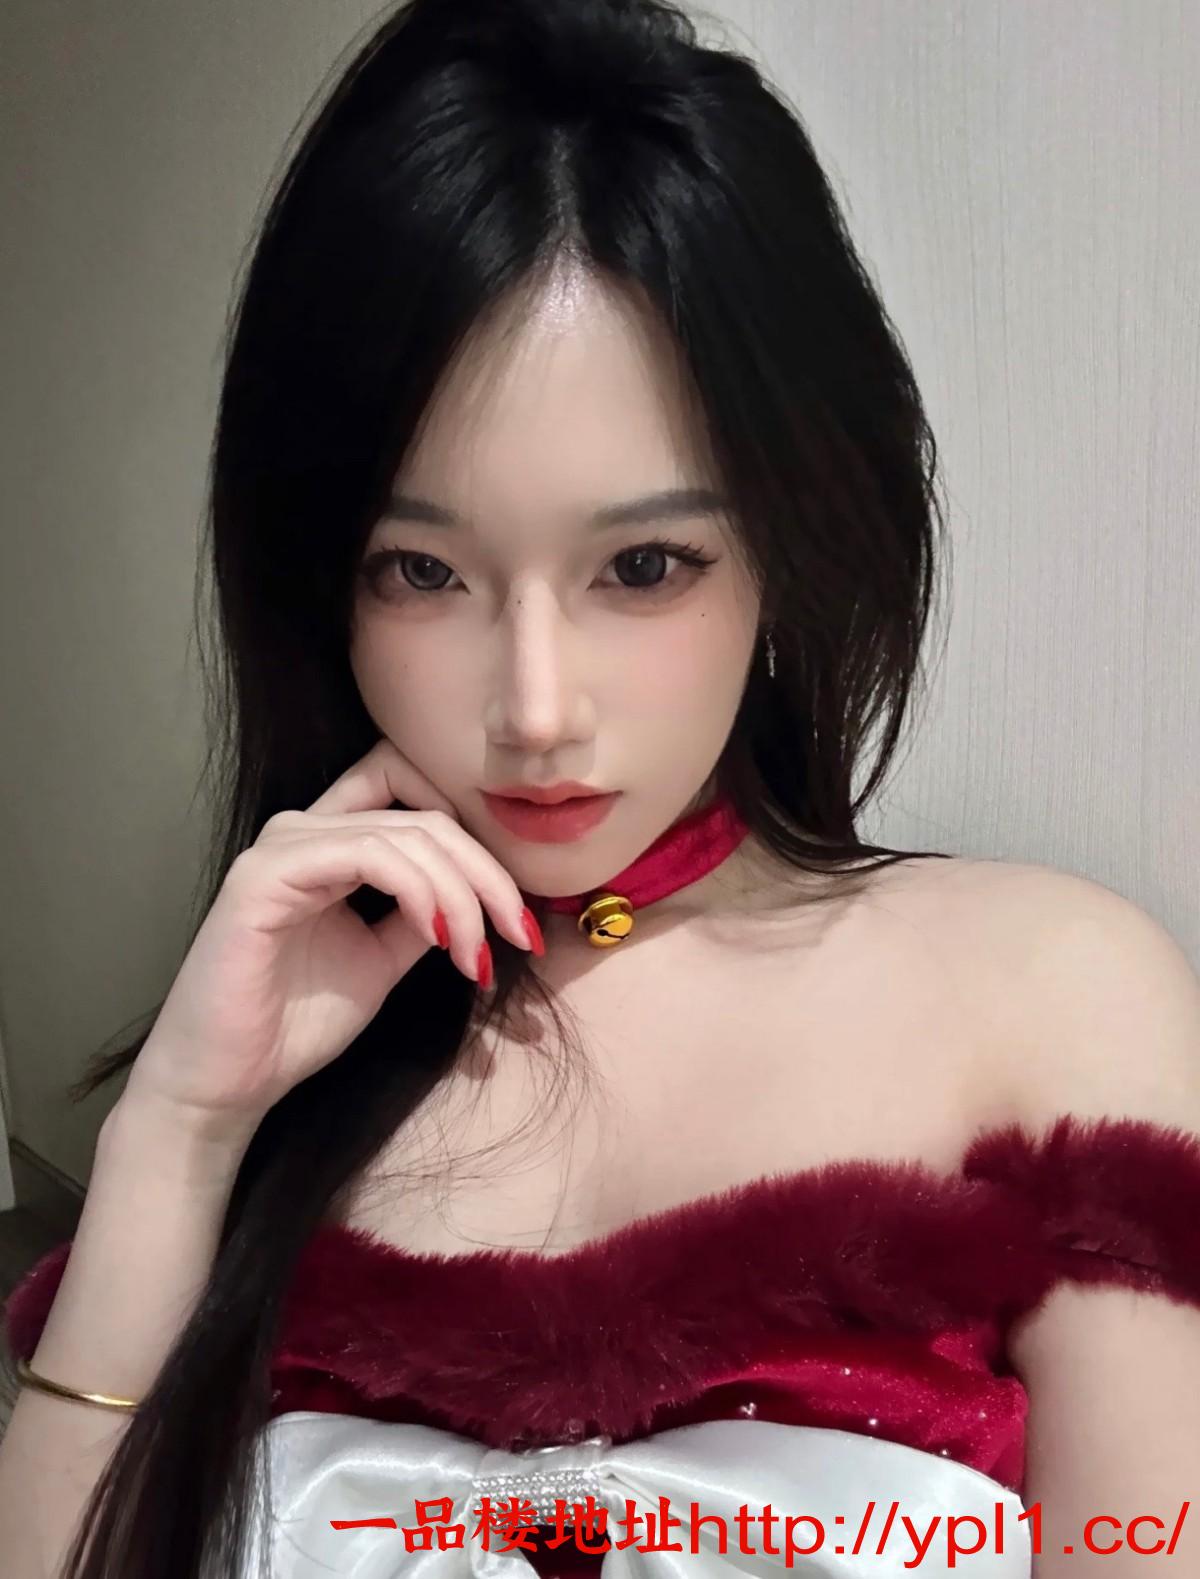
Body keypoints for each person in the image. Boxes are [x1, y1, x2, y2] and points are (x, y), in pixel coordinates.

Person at [2, 0, 1199, 1573]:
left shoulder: (1053, 992)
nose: (536, 711)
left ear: (791, 540)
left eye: (644, 566)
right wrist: (179, 1128)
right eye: (422, 571)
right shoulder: (291, 1045)